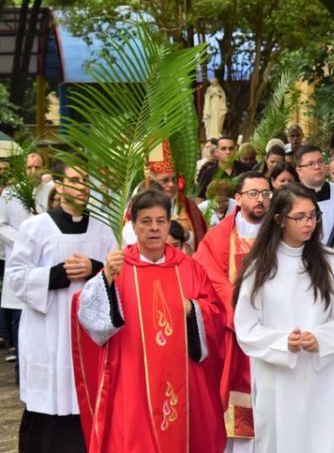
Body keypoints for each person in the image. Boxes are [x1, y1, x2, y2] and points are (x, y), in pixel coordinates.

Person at [73, 189, 226, 452]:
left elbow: (215, 313)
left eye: (160, 221)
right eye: (146, 221)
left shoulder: (189, 267)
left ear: (169, 224)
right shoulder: (119, 267)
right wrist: (105, 280)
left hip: (184, 377)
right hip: (133, 376)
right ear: (133, 225)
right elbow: (88, 316)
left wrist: (194, 309)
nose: (154, 228)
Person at [6, 159, 115, 453]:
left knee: (85, 400)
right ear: (60, 184)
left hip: (87, 334)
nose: (82, 187)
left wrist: (94, 268)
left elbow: (119, 275)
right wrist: (56, 275)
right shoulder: (35, 227)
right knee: (48, 406)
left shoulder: (102, 230)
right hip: (47, 330)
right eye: (75, 180)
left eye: (86, 181)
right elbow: (15, 277)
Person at [234, 184, 334, 453]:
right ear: (279, 220)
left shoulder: (331, 262)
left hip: (320, 375)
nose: (309, 223)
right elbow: (246, 327)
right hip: (276, 377)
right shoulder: (261, 268)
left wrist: (321, 338)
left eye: (313, 215)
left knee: (321, 440)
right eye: (299, 217)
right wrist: (282, 342)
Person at [193, 171, 272, 450]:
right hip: (233, 335)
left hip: (272, 331)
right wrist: (238, 311)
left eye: (265, 193)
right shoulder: (218, 238)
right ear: (238, 198)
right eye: (253, 194)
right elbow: (207, 275)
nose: (260, 199)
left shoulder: (279, 234)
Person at [0, 152, 54, 365]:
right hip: (19, 257)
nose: (33, 171)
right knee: (19, 315)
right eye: (29, 167)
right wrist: (24, 240)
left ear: (44, 167)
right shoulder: (10, 194)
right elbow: (1, 225)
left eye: (37, 167)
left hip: (46, 260)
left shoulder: (52, 191)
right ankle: (21, 368)